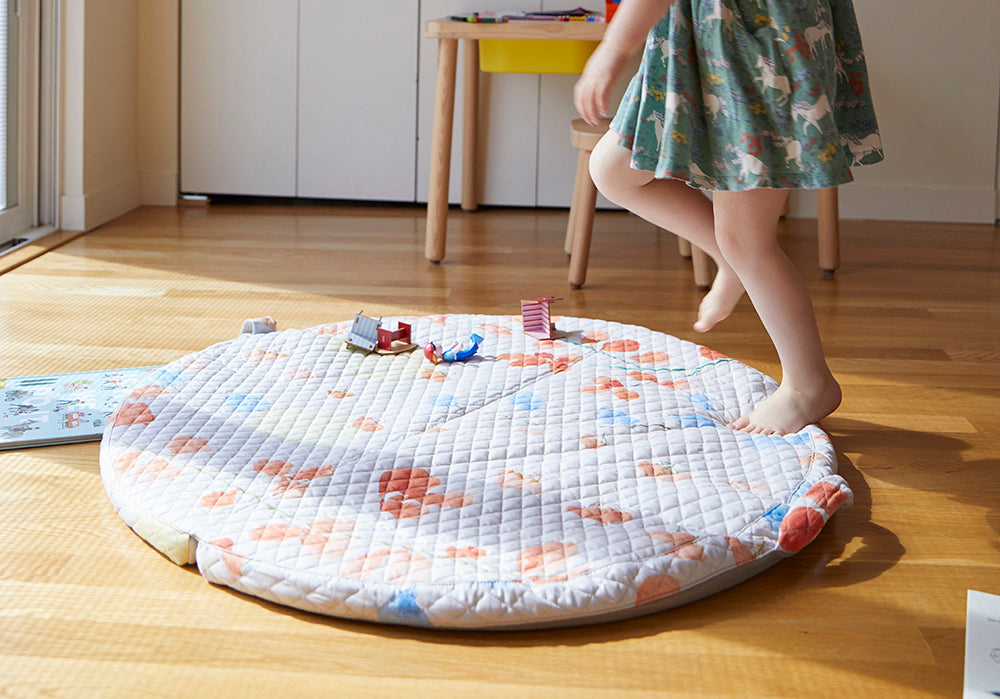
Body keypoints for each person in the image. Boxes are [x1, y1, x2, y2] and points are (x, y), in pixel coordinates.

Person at [573, 0, 883, 436]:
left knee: (748, 243)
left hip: (752, 52)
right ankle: (730, 258)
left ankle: (808, 384)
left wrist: (613, 49)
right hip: (702, 43)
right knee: (612, 170)